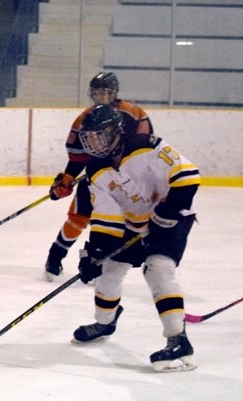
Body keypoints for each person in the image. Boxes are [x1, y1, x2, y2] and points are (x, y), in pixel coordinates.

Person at [70, 103, 200, 372]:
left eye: (99, 135)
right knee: (109, 270)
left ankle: (178, 340)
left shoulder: (147, 145)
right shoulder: (96, 172)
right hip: (135, 222)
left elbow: (188, 175)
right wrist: (94, 253)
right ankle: (105, 322)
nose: (94, 144)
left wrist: (168, 210)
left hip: (174, 216)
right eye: (89, 138)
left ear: (116, 132)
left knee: (157, 269)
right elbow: (107, 216)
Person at [44, 72, 153, 281]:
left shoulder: (133, 113)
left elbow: (144, 148)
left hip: (127, 178)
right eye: (96, 92)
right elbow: (77, 155)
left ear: (114, 92)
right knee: (78, 217)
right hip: (96, 174)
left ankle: (101, 263)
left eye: (105, 92)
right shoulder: (86, 117)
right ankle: (55, 256)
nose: (101, 96)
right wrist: (68, 177)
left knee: (119, 222)